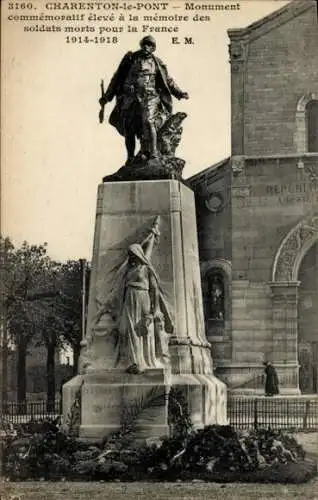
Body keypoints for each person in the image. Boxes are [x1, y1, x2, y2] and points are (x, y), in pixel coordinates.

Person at [99, 36, 189, 164]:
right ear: (141, 45)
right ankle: (130, 157)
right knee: (129, 127)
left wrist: (179, 93)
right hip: (130, 98)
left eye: (150, 45)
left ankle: (154, 155)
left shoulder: (157, 62)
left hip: (150, 97)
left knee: (148, 121)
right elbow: (117, 78)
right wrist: (107, 97)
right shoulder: (131, 59)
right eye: (145, 44)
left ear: (153, 48)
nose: (147, 47)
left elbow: (168, 80)